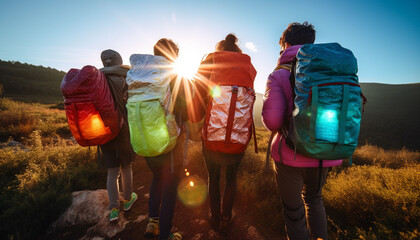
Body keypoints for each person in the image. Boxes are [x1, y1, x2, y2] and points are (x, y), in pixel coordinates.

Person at [261, 22, 343, 240]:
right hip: (324, 152)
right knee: (315, 200)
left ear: (286, 44)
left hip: (290, 155)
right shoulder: (328, 70)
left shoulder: (279, 74)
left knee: (293, 209)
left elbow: (271, 121)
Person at [191, 33, 257, 232]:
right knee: (231, 178)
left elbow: (195, 110)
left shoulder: (209, 63)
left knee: (213, 177)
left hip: (212, 136)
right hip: (239, 138)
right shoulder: (248, 68)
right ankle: (227, 217)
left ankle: (215, 217)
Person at [138, 38, 189, 240]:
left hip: (147, 139)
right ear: (174, 56)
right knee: (170, 185)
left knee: (157, 178)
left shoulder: (142, 76)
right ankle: (166, 234)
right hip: (170, 142)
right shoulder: (176, 77)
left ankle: (152, 223)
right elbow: (187, 113)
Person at [99, 49, 138, 222]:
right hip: (123, 129)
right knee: (126, 165)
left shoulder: (97, 79)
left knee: (112, 171)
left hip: (104, 130)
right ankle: (128, 200)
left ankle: (114, 209)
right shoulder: (124, 78)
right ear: (118, 61)